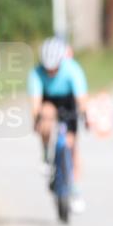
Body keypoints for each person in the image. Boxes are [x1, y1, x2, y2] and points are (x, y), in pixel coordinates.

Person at [28, 37, 89, 213]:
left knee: (71, 145)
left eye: (54, 68)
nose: (51, 72)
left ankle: (75, 189)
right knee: (45, 115)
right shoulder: (36, 73)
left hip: (68, 102)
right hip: (49, 102)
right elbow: (35, 104)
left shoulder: (72, 69)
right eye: (48, 69)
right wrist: (36, 121)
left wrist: (85, 115)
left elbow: (81, 99)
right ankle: (47, 156)